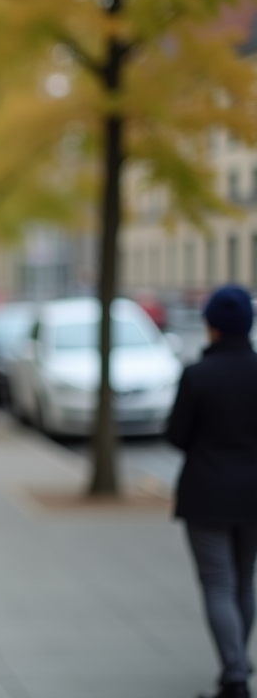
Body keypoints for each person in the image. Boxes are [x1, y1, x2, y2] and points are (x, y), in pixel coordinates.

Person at [166, 284, 257, 698]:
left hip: (207, 492)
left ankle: (234, 673)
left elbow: (177, 435)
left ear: (213, 327)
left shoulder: (198, 375)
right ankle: (236, 662)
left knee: (218, 582)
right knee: (243, 580)